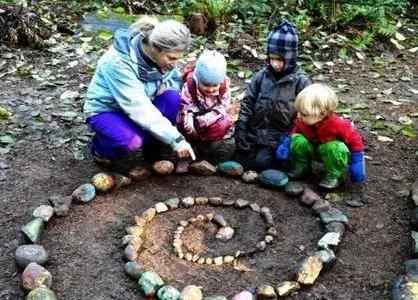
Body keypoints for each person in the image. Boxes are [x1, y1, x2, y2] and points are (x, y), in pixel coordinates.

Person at [83, 16, 195, 164]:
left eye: (178, 58)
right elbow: (139, 108)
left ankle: (153, 150)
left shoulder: (163, 58)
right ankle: (101, 148)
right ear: (155, 47)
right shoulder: (118, 62)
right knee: (132, 141)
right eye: (172, 58)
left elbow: (174, 82)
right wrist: (176, 139)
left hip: (143, 105)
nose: (175, 64)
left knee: (172, 98)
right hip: (107, 110)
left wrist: (169, 87)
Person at [234, 20, 311, 171]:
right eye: (272, 58)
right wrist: (241, 127)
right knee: (238, 158)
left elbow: (304, 114)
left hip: (280, 135)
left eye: (279, 59)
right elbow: (248, 102)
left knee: (261, 163)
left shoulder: (301, 81)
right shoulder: (261, 76)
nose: (275, 63)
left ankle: (285, 160)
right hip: (256, 131)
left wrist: (289, 137)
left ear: (290, 57)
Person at [276, 83, 366, 189]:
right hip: (313, 148)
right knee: (298, 140)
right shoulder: (303, 121)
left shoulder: (339, 125)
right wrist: (286, 144)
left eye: (304, 114)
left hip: (330, 154)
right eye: (299, 112)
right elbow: (296, 130)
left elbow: (355, 141)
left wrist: (357, 161)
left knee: (334, 147)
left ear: (322, 113)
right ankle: (301, 166)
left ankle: (335, 175)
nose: (299, 116)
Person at [178, 50, 232, 144]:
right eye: (206, 85)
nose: (210, 89)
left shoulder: (224, 87)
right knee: (182, 121)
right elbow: (185, 107)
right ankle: (190, 140)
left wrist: (203, 120)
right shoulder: (190, 86)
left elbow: (223, 107)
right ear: (198, 79)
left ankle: (205, 141)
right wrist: (190, 121)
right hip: (194, 116)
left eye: (215, 85)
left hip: (212, 116)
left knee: (224, 122)